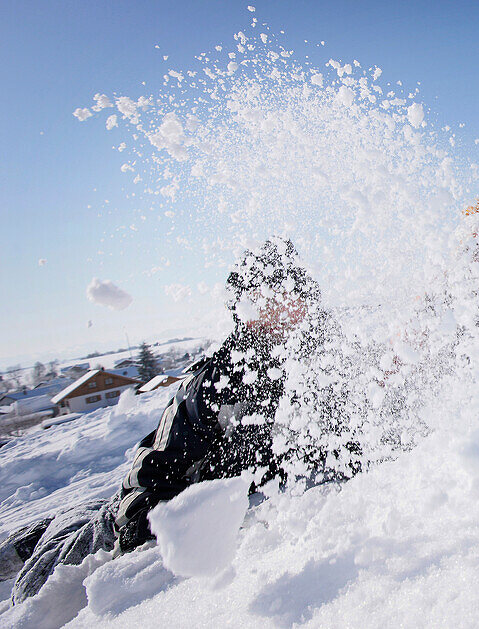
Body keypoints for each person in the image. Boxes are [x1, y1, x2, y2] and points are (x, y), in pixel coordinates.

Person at [1, 238, 333, 603]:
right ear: (247, 309)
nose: (286, 305)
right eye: (269, 295)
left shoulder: (326, 362)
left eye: (292, 292)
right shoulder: (219, 382)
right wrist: (153, 528)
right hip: (127, 519)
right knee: (35, 584)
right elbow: (148, 482)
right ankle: (30, 540)